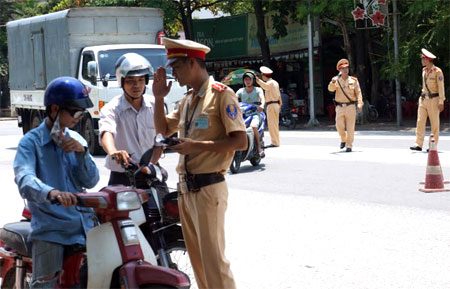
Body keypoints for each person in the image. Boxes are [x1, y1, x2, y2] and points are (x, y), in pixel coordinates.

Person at [152, 37, 247, 289]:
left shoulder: (221, 96)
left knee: (214, 263)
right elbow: (162, 128)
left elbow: (241, 142)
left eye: (177, 67)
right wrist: (159, 98)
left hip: (208, 188)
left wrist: (196, 146)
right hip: (186, 191)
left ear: (193, 63)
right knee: (199, 263)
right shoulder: (187, 100)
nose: (174, 72)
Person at [13, 76, 99, 288]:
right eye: (74, 112)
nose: (78, 117)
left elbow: (92, 180)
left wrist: (82, 154)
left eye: (81, 112)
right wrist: (52, 193)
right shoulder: (30, 143)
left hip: (86, 228)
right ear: (54, 109)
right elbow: (24, 179)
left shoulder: (77, 140)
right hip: (52, 229)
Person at [99, 52, 163, 187]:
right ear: (121, 82)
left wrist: (149, 167)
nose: (137, 85)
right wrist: (113, 152)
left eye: (141, 80)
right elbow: (106, 132)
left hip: (150, 173)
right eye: (130, 81)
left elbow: (159, 143)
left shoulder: (156, 106)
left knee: (168, 206)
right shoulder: (112, 108)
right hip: (122, 177)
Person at [410, 48, 445, 151]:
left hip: (434, 99)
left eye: (423, 59)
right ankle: (418, 144)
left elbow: (441, 87)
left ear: (428, 60)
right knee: (420, 121)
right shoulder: (424, 71)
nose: (421, 60)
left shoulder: (437, 71)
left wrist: (441, 101)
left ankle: (432, 145)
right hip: (423, 99)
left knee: (434, 123)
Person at [328, 59, 363, 152]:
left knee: (350, 127)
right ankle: (343, 139)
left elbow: (358, 93)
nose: (345, 70)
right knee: (339, 126)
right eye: (343, 68)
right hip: (339, 107)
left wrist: (360, 104)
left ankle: (349, 145)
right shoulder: (336, 80)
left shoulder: (354, 80)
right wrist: (332, 82)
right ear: (339, 70)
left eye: (346, 68)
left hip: (350, 106)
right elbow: (330, 89)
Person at [235, 71, 265, 157]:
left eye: (249, 79)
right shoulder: (240, 91)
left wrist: (262, 105)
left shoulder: (258, 90)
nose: (247, 81)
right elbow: (234, 99)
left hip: (255, 113)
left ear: (253, 80)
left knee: (253, 126)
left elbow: (262, 98)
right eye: (245, 79)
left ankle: (259, 148)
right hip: (243, 114)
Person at [255, 66, 282, 147]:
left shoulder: (269, 83)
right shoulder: (275, 82)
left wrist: (258, 80)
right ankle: (276, 141)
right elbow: (279, 96)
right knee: (275, 124)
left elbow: (265, 86)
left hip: (271, 105)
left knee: (272, 125)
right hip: (276, 104)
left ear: (264, 75)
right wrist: (280, 105)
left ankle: (275, 142)